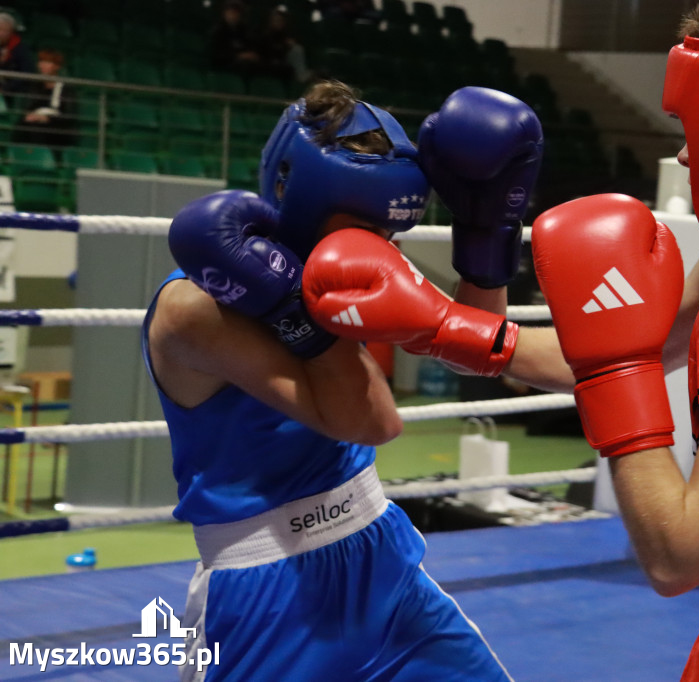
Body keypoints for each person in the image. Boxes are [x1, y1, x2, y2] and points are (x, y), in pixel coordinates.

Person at [300, 4, 699, 679]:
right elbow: (605, 352)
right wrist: (441, 326)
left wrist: (615, 366)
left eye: (693, 128)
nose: (686, 153)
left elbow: (675, 553)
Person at [143, 79, 540, 680]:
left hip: (379, 553)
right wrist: (292, 309)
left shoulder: (355, 257)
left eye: (388, 233)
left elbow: (472, 350)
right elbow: (370, 420)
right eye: (365, 229)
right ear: (295, 191)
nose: (380, 248)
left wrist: (484, 235)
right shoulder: (196, 308)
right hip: (268, 591)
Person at [13, 48, 77, 148]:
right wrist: (31, 115)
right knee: (23, 125)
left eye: (47, 62)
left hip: (57, 126)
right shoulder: (35, 86)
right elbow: (29, 106)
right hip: (35, 122)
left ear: (56, 66)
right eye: (41, 62)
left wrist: (47, 119)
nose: (42, 65)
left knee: (37, 128)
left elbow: (68, 115)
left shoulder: (66, 89)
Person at [208, 0, 263, 78]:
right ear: (225, 13)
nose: (234, 15)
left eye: (236, 12)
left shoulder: (242, 31)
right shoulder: (218, 31)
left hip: (241, 64)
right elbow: (217, 54)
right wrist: (239, 56)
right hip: (222, 67)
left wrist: (252, 56)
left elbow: (247, 47)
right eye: (231, 11)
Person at [0, 12, 32, 106]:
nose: (0, 33)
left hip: (8, 92)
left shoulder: (20, 48)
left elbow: (27, 73)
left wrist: (5, 88)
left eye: (4, 30)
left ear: (11, 32)